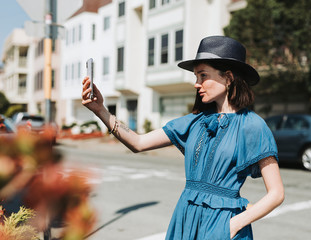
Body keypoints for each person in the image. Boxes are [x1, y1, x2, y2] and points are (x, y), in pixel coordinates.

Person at [82, 35, 284, 240]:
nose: (197, 83)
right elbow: (139, 143)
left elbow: (276, 194)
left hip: (223, 226)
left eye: (203, 75)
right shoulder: (194, 122)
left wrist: (233, 225)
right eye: (196, 77)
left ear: (229, 77)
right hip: (186, 220)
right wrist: (101, 111)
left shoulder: (252, 125)